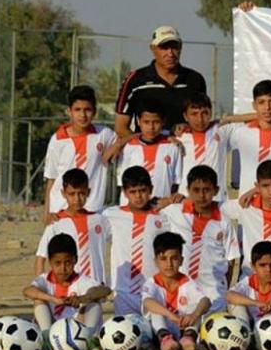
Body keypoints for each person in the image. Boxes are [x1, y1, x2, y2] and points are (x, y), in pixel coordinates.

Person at [161, 165, 240, 313]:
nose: (202, 195)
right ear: (188, 190)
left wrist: (224, 289)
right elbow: (150, 210)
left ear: (215, 190)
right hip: (181, 294)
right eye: (196, 190)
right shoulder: (174, 212)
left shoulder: (224, 221)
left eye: (207, 190)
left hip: (214, 295)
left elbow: (232, 260)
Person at [114, 25, 206, 137]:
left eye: (174, 47)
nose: (170, 53)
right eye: (164, 47)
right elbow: (121, 128)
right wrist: (149, 146)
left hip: (186, 151)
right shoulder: (135, 80)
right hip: (148, 153)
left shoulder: (195, 79)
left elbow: (202, 120)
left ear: (180, 48)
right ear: (153, 48)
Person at [103, 166, 170, 315]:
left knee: (156, 333)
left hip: (152, 289)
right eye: (133, 192)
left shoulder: (163, 217)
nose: (138, 196)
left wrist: (173, 198)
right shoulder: (110, 215)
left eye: (142, 190)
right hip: (123, 292)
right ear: (125, 192)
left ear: (150, 190)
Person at [43, 85, 116, 223]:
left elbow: (125, 142)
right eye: (77, 110)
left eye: (87, 110)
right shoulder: (57, 140)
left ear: (94, 111)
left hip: (92, 210)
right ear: (69, 111)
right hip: (60, 211)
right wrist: (47, 212)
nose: (82, 115)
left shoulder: (104, 135)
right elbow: (51, 178)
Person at [24, 234, 111, 335]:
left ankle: (89, 337)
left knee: (93, 303)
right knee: (38, 299)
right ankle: (46, 336)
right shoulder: (44, 279)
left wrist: (82, 298)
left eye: (68, 263)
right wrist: (54, 299)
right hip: (52, 328)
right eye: (57, 263)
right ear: (50, 262)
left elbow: (105, 290)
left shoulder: (81, 280)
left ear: (75, 260)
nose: (63, 268)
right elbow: (27, 291)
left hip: (76, 332)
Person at [222, 80, 271, 196]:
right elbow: (212, 127)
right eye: (261, 102)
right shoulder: (241, 131)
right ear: (254, 105)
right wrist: (230, 118)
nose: (267, 107)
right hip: (249, 204)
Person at [35, 169, 110, 284]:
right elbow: (40, 258)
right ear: (63, 193)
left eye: (81, 193)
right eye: (72, 194)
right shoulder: (56, 222)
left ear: (88, 192)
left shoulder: (100, 220)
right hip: (69, 289)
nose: (77, 199)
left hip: (95, 289)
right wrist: (42, 287)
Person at [142, 232, 211, 350]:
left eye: (174, 258)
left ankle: (188, 339)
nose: (169, 264)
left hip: (183, 330)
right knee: (156, 310)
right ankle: (165, 340)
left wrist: (194, 315)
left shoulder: (187, 282)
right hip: (158, 336)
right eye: (163, 259)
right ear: (156, 262)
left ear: (181, 260)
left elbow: (206, 301)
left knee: (196, 307)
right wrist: (171, 315)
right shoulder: (152, 283)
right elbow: (147, 302)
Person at [106, 97, 183, 207]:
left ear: (163, 122)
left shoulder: (173, 147)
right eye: (146, 122)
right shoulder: (128, 147)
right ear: (138, 121)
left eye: (156, 122)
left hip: (161, 210)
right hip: (133, 210)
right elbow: (123, 183)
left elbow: (176, 182)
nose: (151, 127)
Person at [176, 93, 230, 200]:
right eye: (194, 114)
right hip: (186, 198)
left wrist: (228, 118)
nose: (200, 119)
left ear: (211, 113)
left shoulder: (221, 131)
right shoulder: (178, 137)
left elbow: (256, 117)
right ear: (185, 116)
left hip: (216, 199)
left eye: (205, 113)